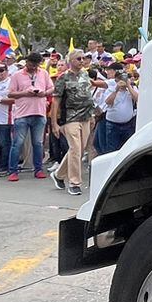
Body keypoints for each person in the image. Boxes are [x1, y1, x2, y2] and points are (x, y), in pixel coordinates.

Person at [53, 53, 95, 197]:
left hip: (86, 117)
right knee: (75, 149)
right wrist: (54, 123)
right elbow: (56, 101)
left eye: (83, 58)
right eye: (78, 58)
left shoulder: (85, 74)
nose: (82, 61)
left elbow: (89, 93)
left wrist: (92, 115)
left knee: (78, 150)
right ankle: (74, 183)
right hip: (70, 118)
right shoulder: (62, 78)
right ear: (70, 61)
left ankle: (59, 174)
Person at [6, 52, 52, 182]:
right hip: (22, 114)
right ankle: (13, 170)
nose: (34, 67)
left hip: (39, 112)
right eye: (32, 64)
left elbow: (51, 88)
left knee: (38, 143)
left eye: (36, 65)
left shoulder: (43, 73)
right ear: (27, 62)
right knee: (17, 143)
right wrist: (25, 93)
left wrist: (44, 93)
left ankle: (38, 169)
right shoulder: (17, 75)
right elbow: (10, 94)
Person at [97, 66, 138, 155]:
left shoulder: (132, 89)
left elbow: (138, 98)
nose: (122, 81)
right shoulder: (111, 89)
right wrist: (116, 90)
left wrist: (128, 86)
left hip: (128, 124)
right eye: (120, 79)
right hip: (113, 125)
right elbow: (108, 102)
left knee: (127, 149)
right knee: (112, 150)